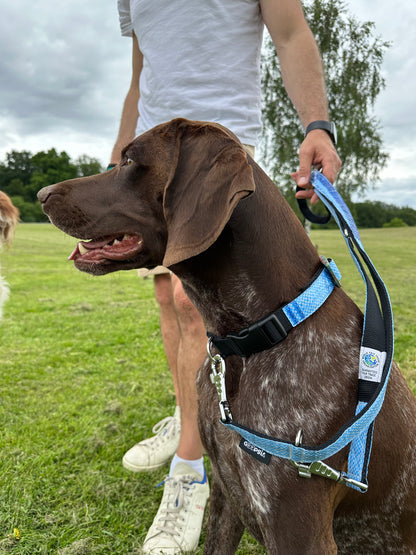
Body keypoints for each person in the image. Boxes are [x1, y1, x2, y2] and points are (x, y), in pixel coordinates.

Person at [110, 0, 341, 553]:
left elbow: (291, 34)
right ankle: (185, 414)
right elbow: (141, 75)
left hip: (220, 145)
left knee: (197, 306)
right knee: (169, 297)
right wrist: (122, 160)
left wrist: (318, 124)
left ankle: (190, 470)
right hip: (151, 156)